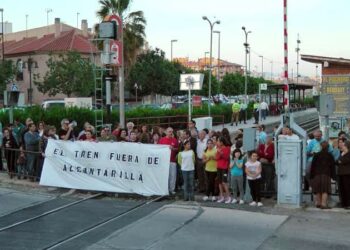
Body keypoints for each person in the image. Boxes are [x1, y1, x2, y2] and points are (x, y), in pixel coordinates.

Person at [310, 141, 335, 209]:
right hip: (326, 174)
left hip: (317, 174)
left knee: (318, 189)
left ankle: (318, 203)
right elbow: (332, 166)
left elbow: (313, 166)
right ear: (328, 147)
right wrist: (333, 176)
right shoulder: (330, 155)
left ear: (321, 147)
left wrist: (311, 175)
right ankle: (323, 204)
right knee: (325, 190)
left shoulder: (316, 155)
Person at [159, 127, 179, 195]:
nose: (171, 133)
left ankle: (172, 189)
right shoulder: (162, 140)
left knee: (172, 176)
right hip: (164, 161)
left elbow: (177, 149)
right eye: (169, 131)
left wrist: (173, 149)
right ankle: (165, 189)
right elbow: (158, 149)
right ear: (166, 132)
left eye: (172, 131)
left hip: (172, 160)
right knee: (165, 176)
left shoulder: (175, 140)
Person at [216, 136, 231, 203]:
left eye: (218, 141)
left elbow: (227, 157)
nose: (217, 142)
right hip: (219, 167)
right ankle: (222, 196)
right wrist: (219, 152)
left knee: (224, 182)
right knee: (219, 183)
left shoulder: (227, 148)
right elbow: (216, 158)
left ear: (222, 142)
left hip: (224, 168)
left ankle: (228, 197)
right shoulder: (218, 148)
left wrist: (221, 153)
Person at [336, 140, 350, 209]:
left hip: (347, 173)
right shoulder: (342, 153)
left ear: (347, 146)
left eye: (343, 145)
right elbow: (337, 161)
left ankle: (348, 203)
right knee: (341, 189)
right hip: (340, 173)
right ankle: (343, 203)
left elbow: (344, 161)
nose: (342, 146)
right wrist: (340, 160)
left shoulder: (348, 153)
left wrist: (340, 160)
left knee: (347, 189)